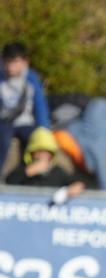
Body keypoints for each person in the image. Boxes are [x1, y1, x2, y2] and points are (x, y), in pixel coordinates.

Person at [0, 42, 50, 174]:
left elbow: (40, 105)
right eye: (7, 62)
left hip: (26, 122)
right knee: (3, 140)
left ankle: (24, 176)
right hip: (4, 123)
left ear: (24, 62)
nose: (10, 67)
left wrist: (43, 128)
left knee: (32, 141)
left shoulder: (31, 78)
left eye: (15, 62)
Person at [4, 126, 86, 204]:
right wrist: (28, 171)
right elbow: (9, 181)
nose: (43, 156)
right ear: (31, 153)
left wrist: (73, 188)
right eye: (39, 151)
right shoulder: (24, 170)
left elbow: (75, 183)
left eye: (47, 152)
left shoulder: (57, 171)